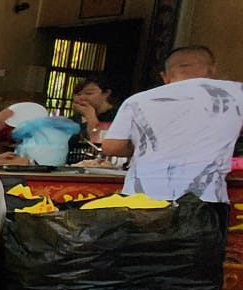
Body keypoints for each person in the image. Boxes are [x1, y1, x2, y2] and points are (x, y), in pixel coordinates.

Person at [100, 46, 243, 204]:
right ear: (212, 70)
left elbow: (112, 147)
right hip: (205, 200)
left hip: (143, 197)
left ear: (165, 76)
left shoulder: (137, 100)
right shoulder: (237, 94)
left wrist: (144, 147)